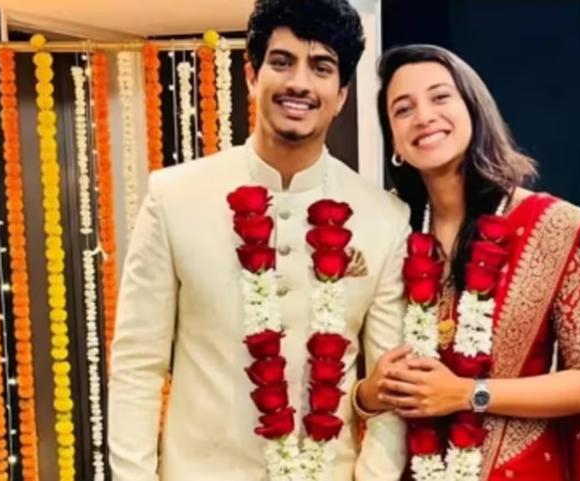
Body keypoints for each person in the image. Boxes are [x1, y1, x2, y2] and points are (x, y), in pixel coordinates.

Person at [107, 1, 408, 480]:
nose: (300, 83)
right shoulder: (174, 197)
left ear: (341, 95)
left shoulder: (384, 219)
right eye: (282, 62)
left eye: (321, 67)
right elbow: (136, 366)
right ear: (251, 76)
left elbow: (392, 387)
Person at [354, 44, 580, 481]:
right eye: (403, 109)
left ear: (474, 111)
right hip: (413, 466)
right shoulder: (389, 233)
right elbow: (359, 378)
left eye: (440, 97)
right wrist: (369, 394)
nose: (424, 117)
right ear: (395, 142)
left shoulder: (554, 227)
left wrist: (468, 394)